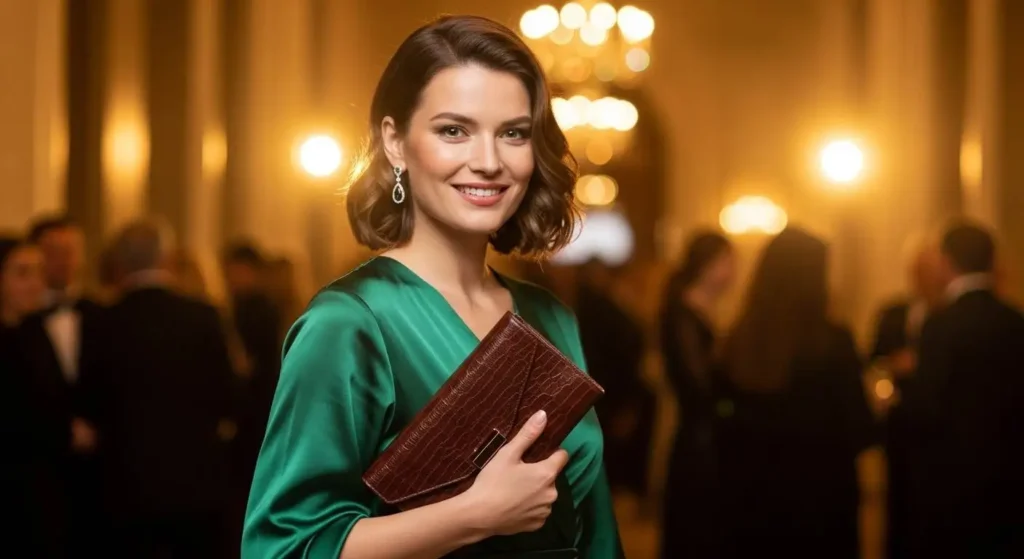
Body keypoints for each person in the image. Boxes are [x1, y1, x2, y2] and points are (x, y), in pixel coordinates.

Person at [242, 15, 622, 559]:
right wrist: (474, 515)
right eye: (454, 130)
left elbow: (596, 530)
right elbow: (281, 548)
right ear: (395, 142)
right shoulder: (348, 323)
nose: (488, 162)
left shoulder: (550, 316)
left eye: (512, 133)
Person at [715, 227, 877, 558]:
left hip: (752, 503)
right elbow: (859, 429)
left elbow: (724, 422)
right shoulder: (832, 342)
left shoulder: (738, 341)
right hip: (822, 503)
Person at [899, 222, 1024, 557]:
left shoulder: (940, 326)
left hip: (951, 481)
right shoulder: (1016, 322)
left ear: (945, 261)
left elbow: (926, 406)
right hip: (1011, 479)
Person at [657, 230, 735, 558]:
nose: (733, 271)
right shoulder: (682, 312)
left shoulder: (704, 309)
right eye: (727, 262)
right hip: (698, 439)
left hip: (706, 434)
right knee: (696, 530)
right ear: (706, 265)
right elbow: (698, 383)